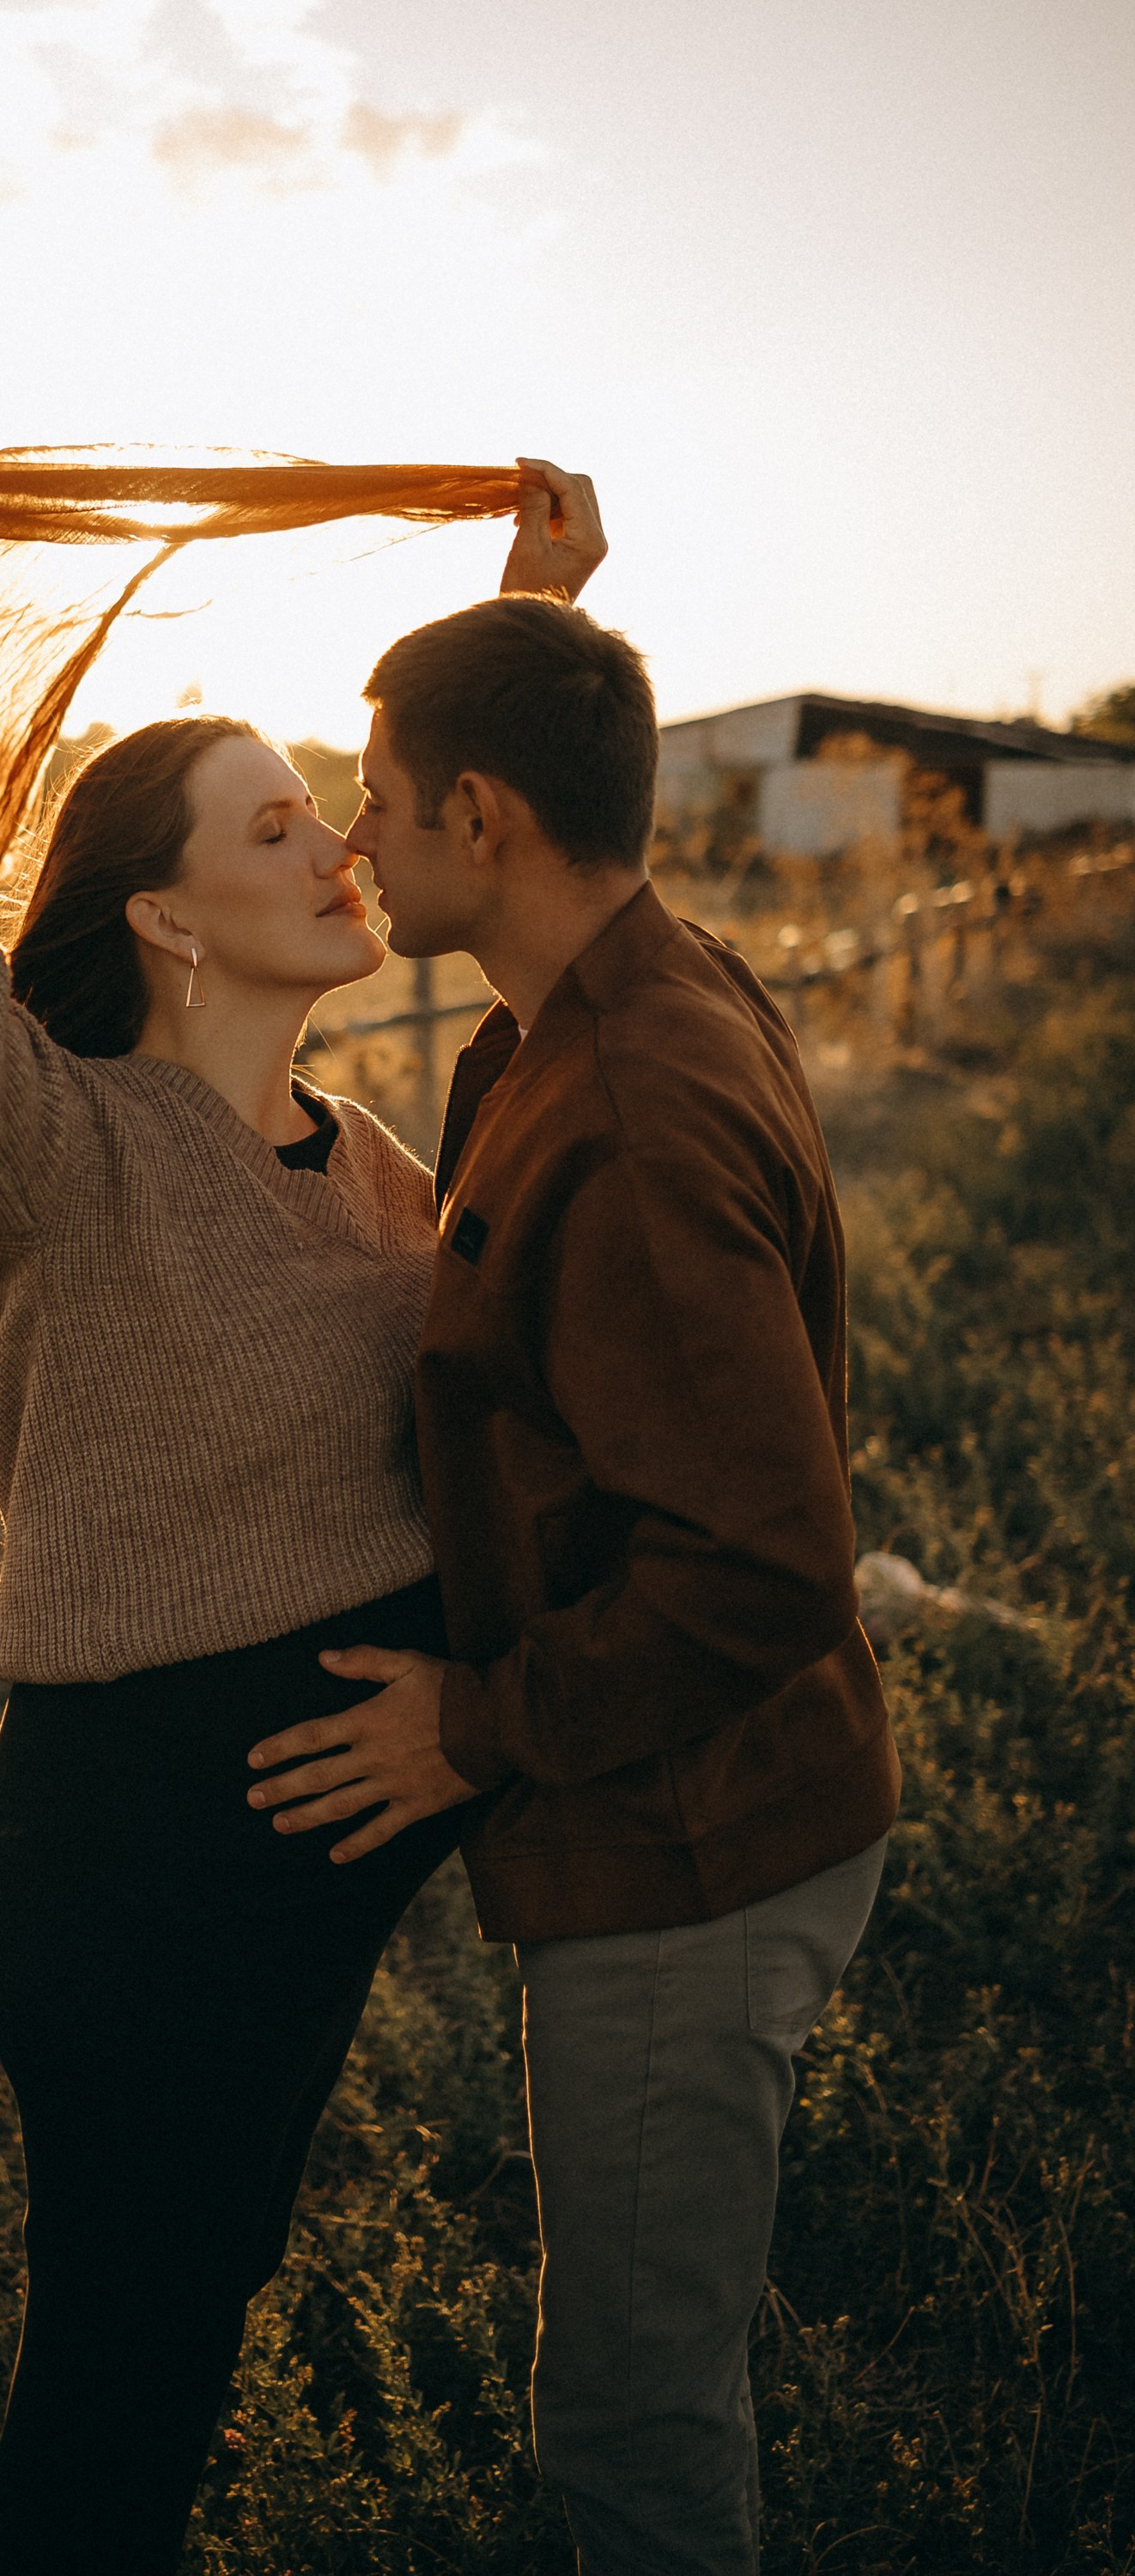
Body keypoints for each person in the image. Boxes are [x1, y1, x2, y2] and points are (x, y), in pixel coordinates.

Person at [0, 454, 607, 2573]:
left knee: (193, 2320)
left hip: (344, 1835)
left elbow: (514, 860)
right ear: (159, 908)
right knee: (121, 2372)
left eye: (337, 803)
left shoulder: (370, 1149)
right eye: (280, 823)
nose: (342, 842)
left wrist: (540, 614)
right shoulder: (61, 1147)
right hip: (149, 1855)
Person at [246, 592, 902, 2573]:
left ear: (479, 815)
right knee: (652, 2370)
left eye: (371, 802)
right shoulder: (635, 984)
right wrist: (552, 613)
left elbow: (764, 1563)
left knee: (630, 2429)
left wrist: (476, 1727)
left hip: (690, 1842)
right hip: (719, 1798)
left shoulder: (627, 1104)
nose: (349, 844)